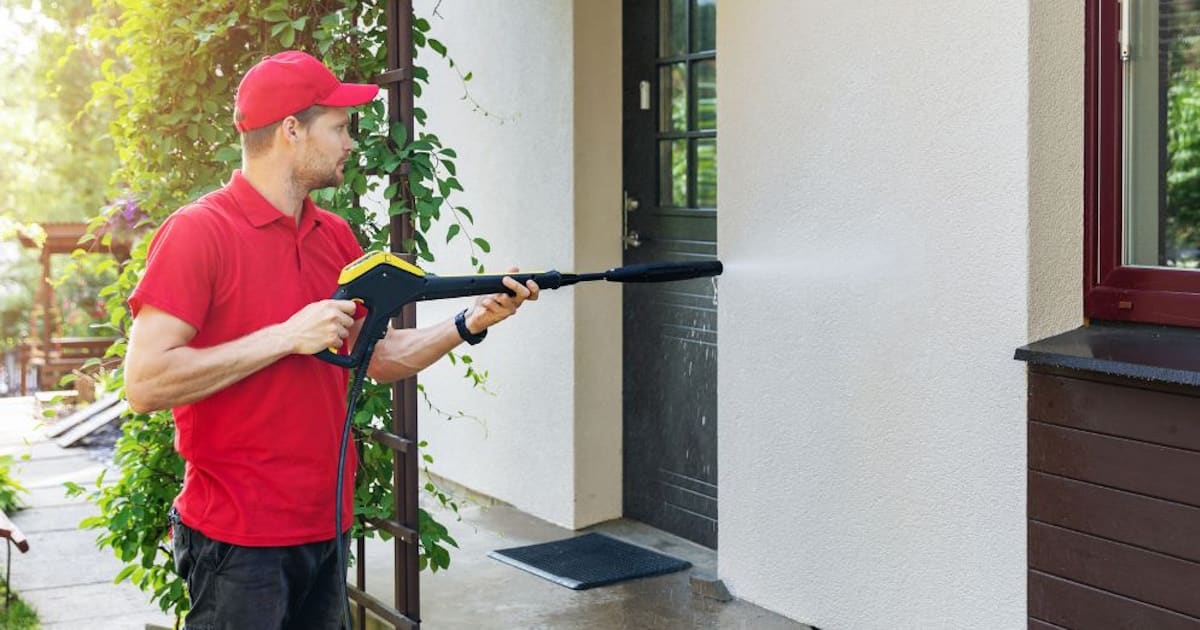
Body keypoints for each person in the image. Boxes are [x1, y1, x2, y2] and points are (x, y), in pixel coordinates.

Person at [123, 51, 539, 629]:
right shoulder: (199, 233)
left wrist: (468, 322)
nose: (351, 143)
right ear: (291, 130)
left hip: (325, 526)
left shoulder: (333, 235)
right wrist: (284, 337)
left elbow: (378, 356)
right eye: (340, 128)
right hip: (238, 541)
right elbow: (144, 383)